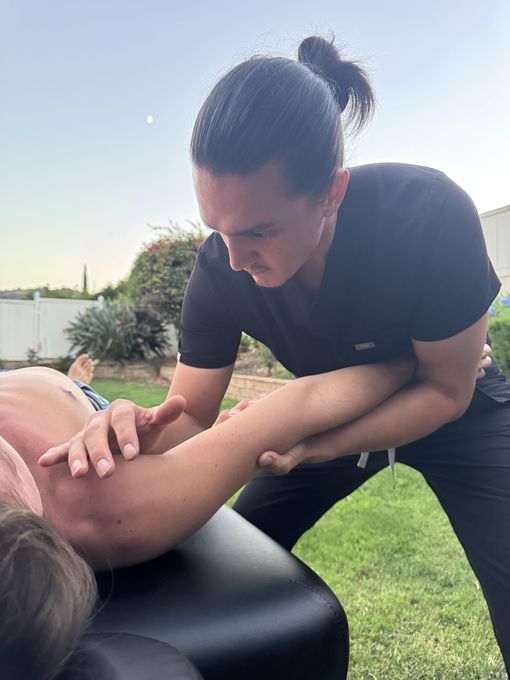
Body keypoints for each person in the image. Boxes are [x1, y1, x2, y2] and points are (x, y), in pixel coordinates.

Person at [43, 37, 509, 673]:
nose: (235, 259)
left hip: (459, 413)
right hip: (324, 416)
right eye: (219, 229)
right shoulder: (220, 267)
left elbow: (445, 390)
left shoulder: (427, 214)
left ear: (332, 193)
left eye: (259, 231)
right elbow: (190, 413)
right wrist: (132, 426)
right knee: (229, 555)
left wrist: (316, 444)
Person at [1, 356, 420, 679]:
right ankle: (77, 386)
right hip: (75, 401)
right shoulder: (103, 503)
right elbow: (303, 402)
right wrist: (415, 362)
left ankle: (73, 382)